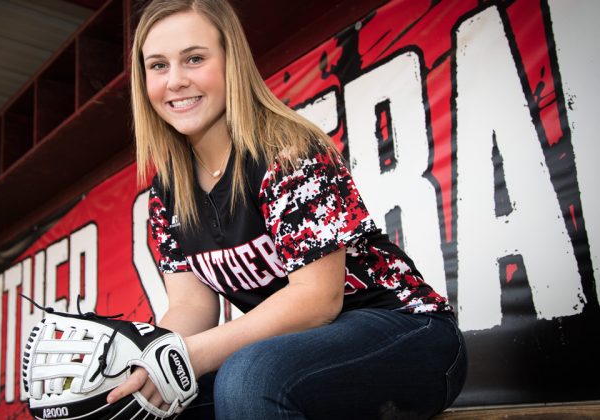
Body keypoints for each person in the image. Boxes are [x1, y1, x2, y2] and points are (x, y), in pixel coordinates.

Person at [108, 0, 468, 418]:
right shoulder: (167, 190)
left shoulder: (287, 150)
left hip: (408, 334)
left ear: (232, 62)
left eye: (194, 58)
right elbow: (192, 306)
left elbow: (317, 300)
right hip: (299, 355)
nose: (175, 81)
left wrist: (191, 356)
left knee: (248, 376)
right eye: (158, 66)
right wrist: (145, 363)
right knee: (155, 401)